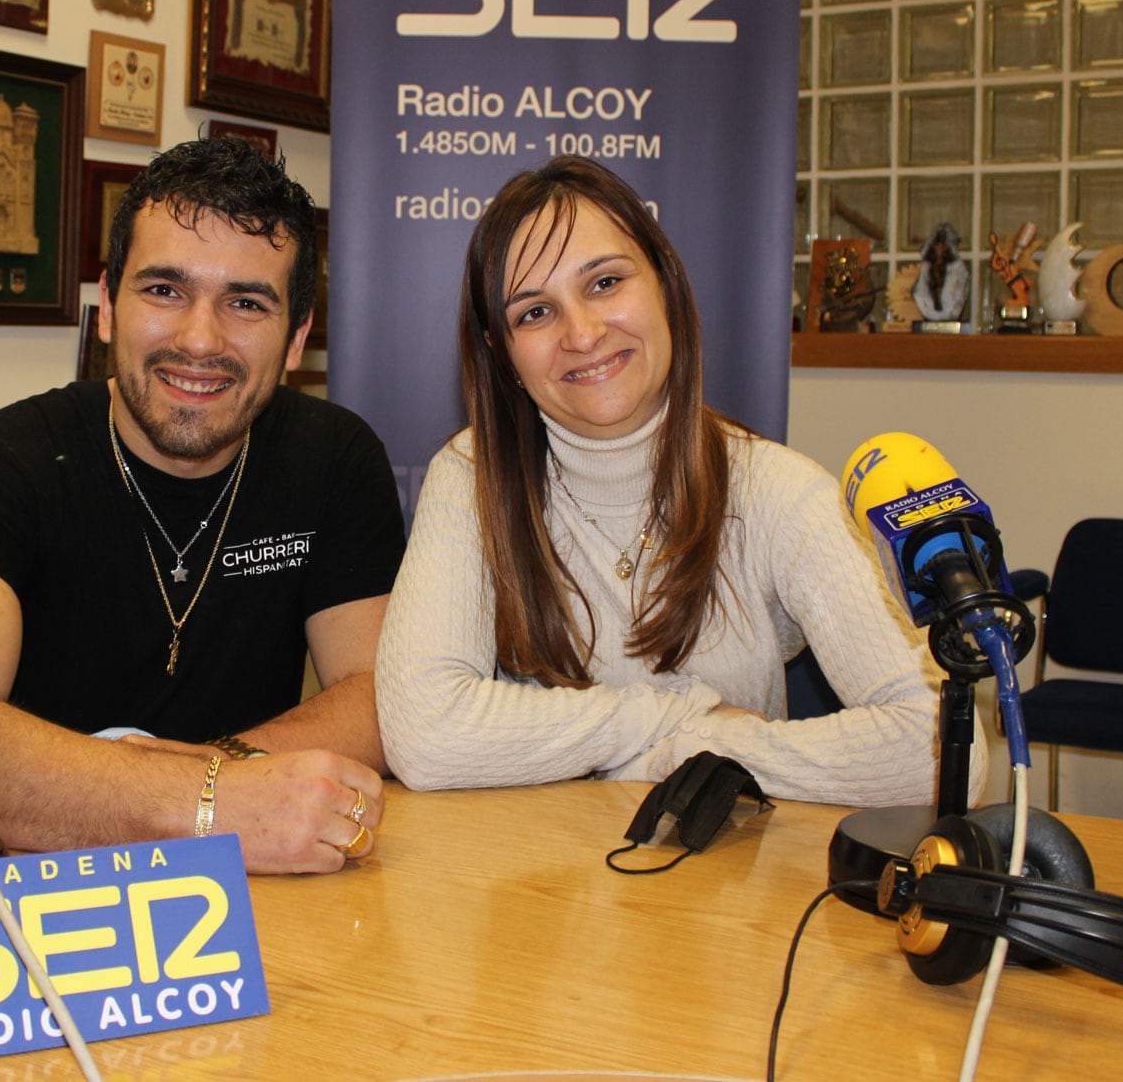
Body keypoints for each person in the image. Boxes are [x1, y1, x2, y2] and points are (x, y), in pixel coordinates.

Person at [375, 156, 979, 806]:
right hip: (535, 884)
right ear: (502, 352)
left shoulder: (778, 490)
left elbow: (948, 752)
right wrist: (673, 722)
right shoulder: (469, 479)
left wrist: (702, 755)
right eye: (534, 313)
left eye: (605, 282)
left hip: (721, 888)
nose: (582, 333)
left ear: (664, 282)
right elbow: (422, 734)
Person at [0, 137, 405, 871]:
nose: (199, 339)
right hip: (29, 896)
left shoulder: (334, 458)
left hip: (259, 888)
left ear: (297, 337)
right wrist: (209, 803)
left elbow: (380, 698)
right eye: (163, 290)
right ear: (107, 307)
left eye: (246, 303)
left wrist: (217, 775)